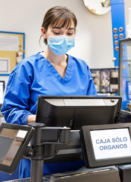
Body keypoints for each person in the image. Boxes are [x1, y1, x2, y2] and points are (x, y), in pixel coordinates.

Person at [1, 6, 97, 178]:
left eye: (69, 32)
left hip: (78, 155)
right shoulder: (27, 68)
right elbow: (10, 111)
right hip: (39, 156)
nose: (64, 37)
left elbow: (95, 108)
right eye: (57, 31)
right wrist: (41, 118)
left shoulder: (82, 68)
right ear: (44, 32)